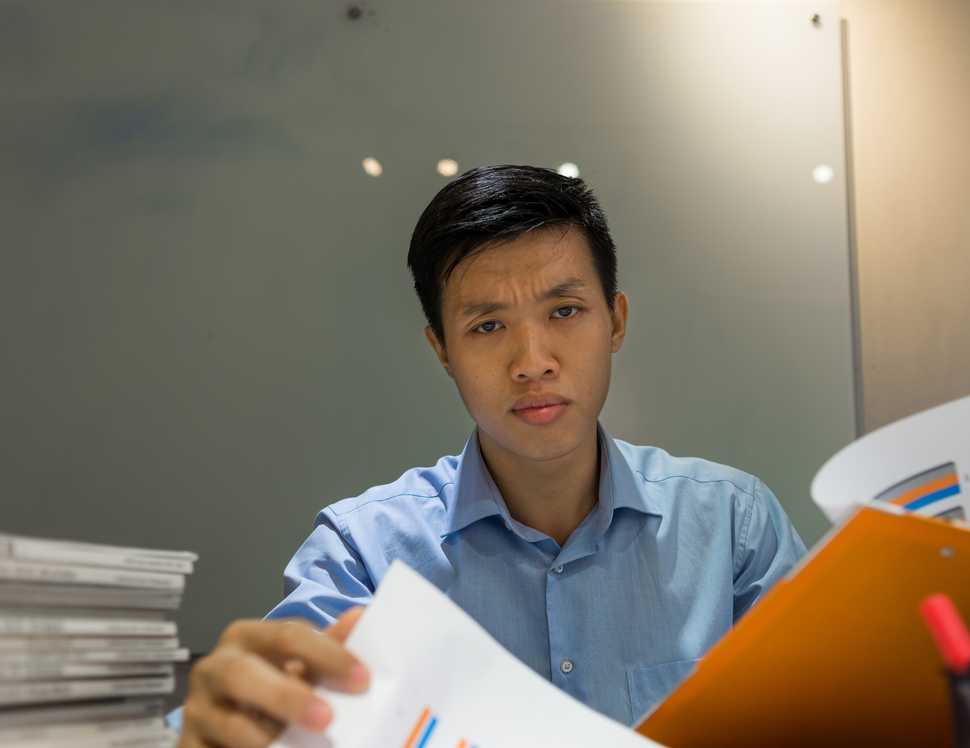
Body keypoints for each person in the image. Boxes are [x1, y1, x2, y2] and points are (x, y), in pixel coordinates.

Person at [173, 165, 806, 747]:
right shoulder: (364, 555)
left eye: (565, 310)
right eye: (487, 326)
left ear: (614, 322)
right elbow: (274, 714)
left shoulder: (733, 527)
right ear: (442, 349)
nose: (533, 362)